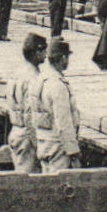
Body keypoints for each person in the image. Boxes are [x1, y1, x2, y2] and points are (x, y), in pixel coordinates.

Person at [34, 38, 83, 173]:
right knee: (61, 188)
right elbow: (63, 122)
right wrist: (73, 151)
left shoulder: (40, 79)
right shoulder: (58, 85)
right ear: (62, 58)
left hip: (43, 142)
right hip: (58, 146)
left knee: (47, 186)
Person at [7, 34, 47, 175]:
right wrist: (38, 144)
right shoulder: (33, 77)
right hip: (26, 136)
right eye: (44, 51)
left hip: (15, 130)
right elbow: (31, 115)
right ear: (37, 52)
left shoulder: (17, 72)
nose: (46, 55)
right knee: (30, 183)